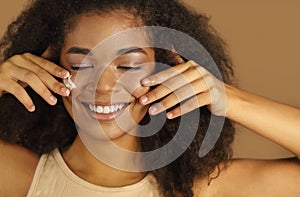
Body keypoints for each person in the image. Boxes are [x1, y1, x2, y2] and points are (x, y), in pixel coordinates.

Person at [0, 0, 299, 196]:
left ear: (165, 67)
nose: (103, 87)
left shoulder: (204, 189)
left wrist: (225, 97)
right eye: (80, 65)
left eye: (128, 66)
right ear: (51, 66)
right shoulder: (22, 178)